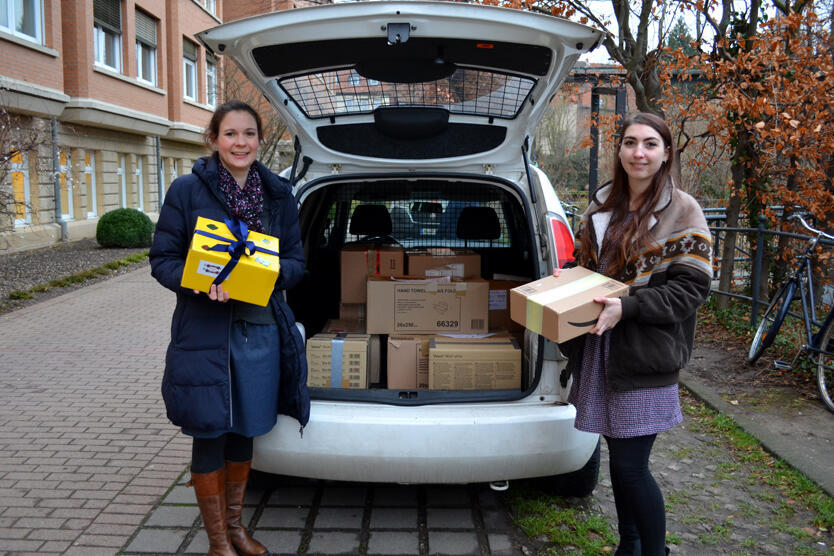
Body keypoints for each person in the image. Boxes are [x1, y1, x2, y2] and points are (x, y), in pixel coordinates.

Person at [149, 100, 309, 556]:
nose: (241, 143)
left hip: (258, 331)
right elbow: (163, 260)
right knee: (209, 432)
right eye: (231, 134)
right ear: (214, 139)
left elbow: (296, 263)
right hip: (204, 332)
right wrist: (200, 283)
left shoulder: (279, 194)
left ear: (260, 139)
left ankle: (236, 528)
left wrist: (266, 274)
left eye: (249, 134)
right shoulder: (187, 190)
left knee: (245, 430)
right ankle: (218, 542)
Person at [557, 112, 712, 556]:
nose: (638, 153)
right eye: (629, 142)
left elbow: (690, 290)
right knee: (619, 460)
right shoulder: (601, 205)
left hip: (644, 353)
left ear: (666, 154)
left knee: (630, 466)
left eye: (649, 144)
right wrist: (566, 277)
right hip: (600, 350)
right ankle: (629, 546)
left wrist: (628, 306)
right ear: (620, 150)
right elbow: (586, 268)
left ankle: (654, 552)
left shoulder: (684, 210)